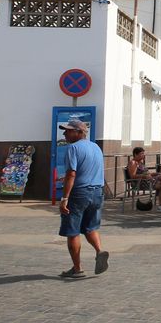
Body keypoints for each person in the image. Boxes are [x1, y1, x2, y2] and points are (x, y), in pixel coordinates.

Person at [57, 119, 109, 278]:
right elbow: (89, 169)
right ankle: (99, 251)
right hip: (97, 192)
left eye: (68, 130)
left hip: (79, 193)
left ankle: (77, 268)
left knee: (72, 231)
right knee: (90, 228)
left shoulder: (72, 148)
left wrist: (64, 198)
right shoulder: (96, 147)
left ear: (79, 132)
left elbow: (72, 174)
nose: (64, 133)